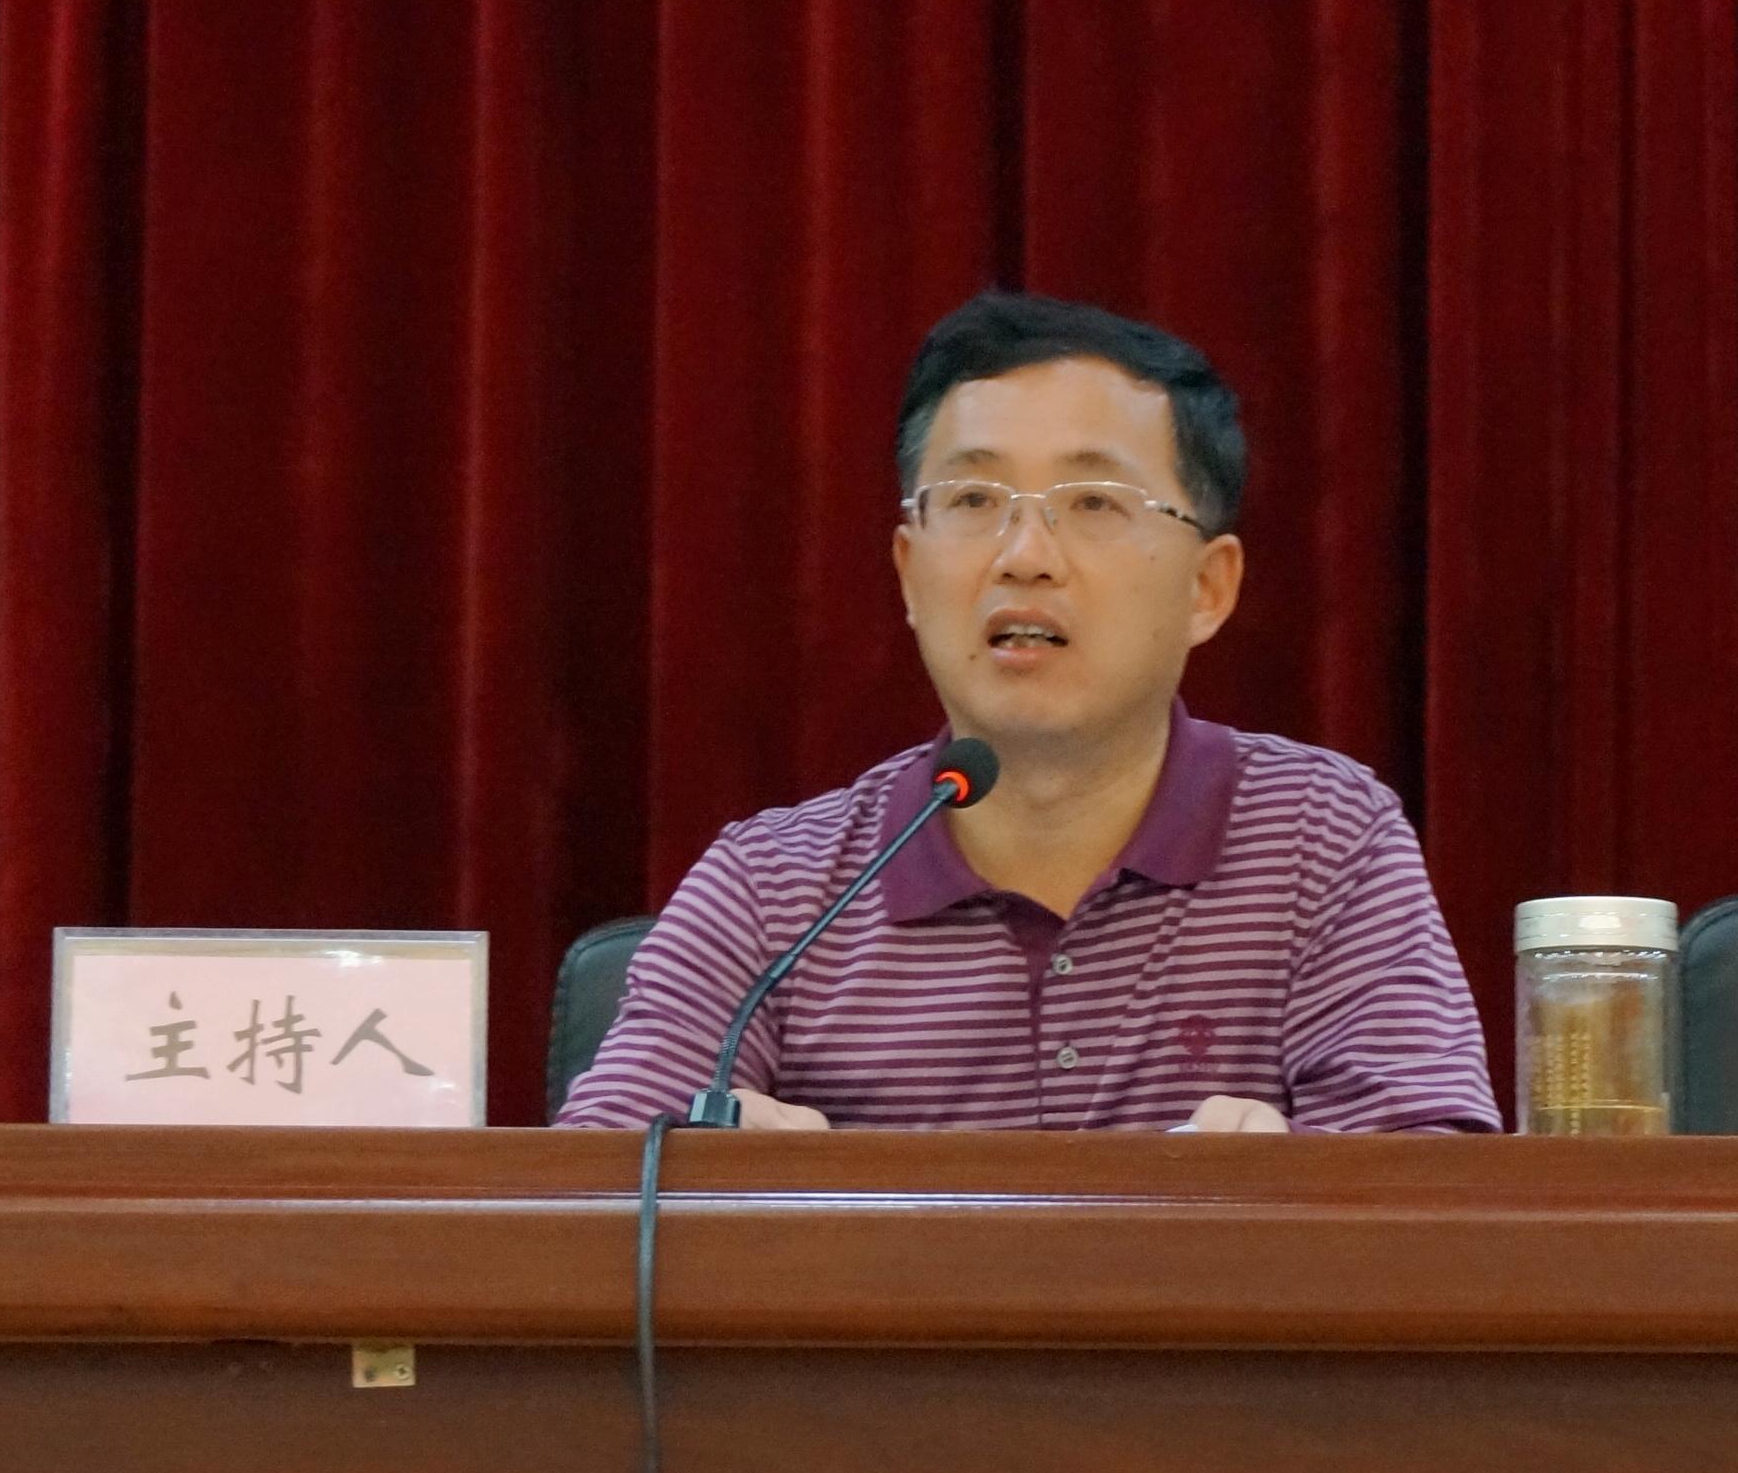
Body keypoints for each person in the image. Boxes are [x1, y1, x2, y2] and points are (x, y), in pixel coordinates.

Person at [558, 290, 1498, 1133]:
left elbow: (1434, 1205)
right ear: (909, 574)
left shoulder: (1322, 840)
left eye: (1093, 502)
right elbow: (589, 1208)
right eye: (974, 499)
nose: (1025, 555)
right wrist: (752, 1201)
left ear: (1209, 587)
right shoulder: (773, 892)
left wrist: (1261, 1206)